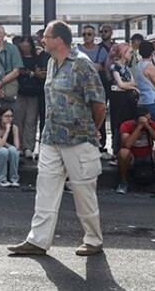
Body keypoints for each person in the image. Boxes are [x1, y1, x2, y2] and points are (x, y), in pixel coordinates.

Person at [8, 20, 106, 257]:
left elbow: (99, 104)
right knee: (45, 190)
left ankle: (93, 239)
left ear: (59, 40)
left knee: (83, 192)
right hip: (51, 137)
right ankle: (38, 240)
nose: (42, 40)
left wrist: (92, 129)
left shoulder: (82, 64)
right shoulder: (52, 63)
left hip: (78, 139)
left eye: (46, 36)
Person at [76, 24, 110, 158]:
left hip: (98, 88)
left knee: (99, 115)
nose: (86, 37)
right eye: (84, 34)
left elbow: (107, 67)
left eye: (89, 34)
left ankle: (100, 145)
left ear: (94, 36)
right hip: (81, 89)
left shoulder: (101, 50)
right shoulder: (77, 49)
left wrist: (100, 67)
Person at [14, 35, 44, 159]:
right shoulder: (17, 58)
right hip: (20, 91)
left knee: (31, 120)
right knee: (19, 119)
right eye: (23, 46)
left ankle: (29, 147)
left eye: (27, 46)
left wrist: (31, 73)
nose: (26, 48)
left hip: (34, 91)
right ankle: (19, 145)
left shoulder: (37, 58)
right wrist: (32, 73)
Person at [108, 43, 138, 157]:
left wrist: (129, 86)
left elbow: (133, 82)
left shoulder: (127, 68)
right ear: (123, 52)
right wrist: (131, 86)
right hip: (118, 98)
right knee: (117, 124)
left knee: (127, 122)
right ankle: (116, 150)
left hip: (127, 98)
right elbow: (120, 84)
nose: (131, 55)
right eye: (130, 52)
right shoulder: (114, 66)